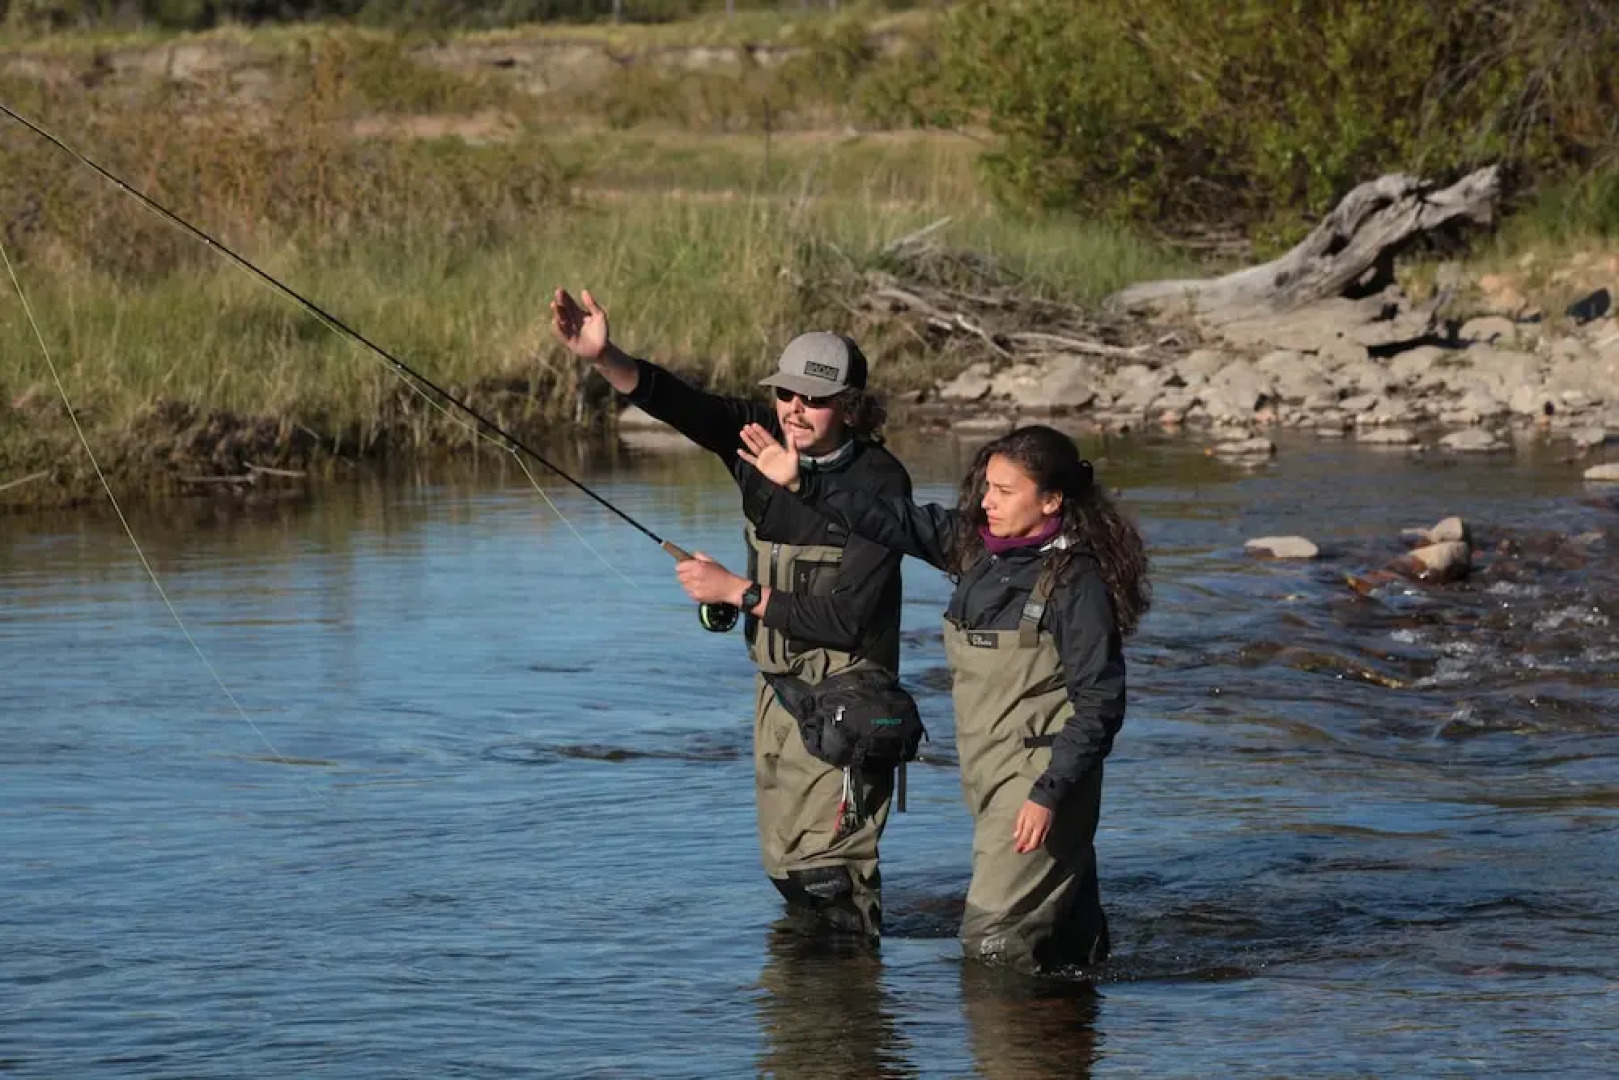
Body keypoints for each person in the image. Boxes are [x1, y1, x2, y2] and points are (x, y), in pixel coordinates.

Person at [550, 288, 913, 939]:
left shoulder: (879, 483)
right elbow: (679, 403)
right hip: (776, 695)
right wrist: (604, 357)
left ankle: (854, 1030)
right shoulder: (755, 439)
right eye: (785, 394)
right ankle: (802, 1035)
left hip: (847, 696)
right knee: (785, 873)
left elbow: (850, 620)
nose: (794, 411)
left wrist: (739, 593)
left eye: (815, 399)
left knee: (830, 880)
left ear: (851, 408)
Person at [738, 421, 1150, 973]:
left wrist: (1049, 794)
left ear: (1051, 501)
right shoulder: (977, 551)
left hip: (1041, 784)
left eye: (1005, 492)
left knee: (992, 949)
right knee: (1063, 949)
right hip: (988, 775)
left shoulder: (1077, 585)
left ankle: (1016, 1053)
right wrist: (804, 485)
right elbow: (891, 520)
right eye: (987, 488)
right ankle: (1068, 1043)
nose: (988, 503)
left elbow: (1101, 702)